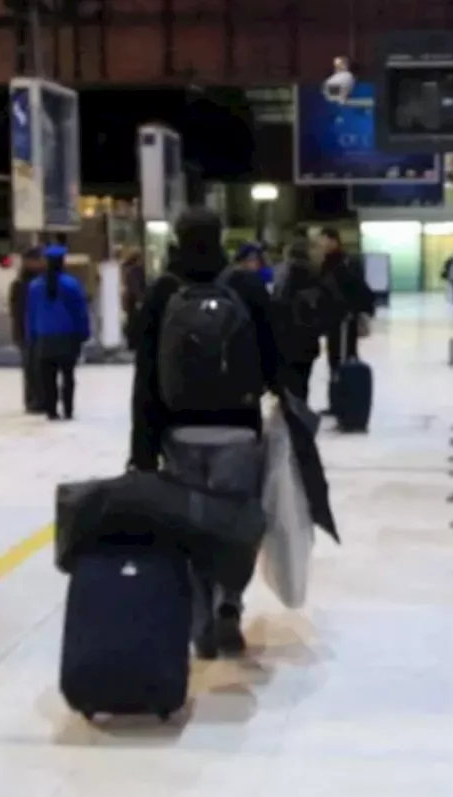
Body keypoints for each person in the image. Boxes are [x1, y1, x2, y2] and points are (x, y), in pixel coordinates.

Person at [129, 206, 282, 659]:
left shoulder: (163, 291)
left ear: (177, 238)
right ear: (221, 238)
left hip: (179, 431)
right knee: (234, 524)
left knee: (191, 528)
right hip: (237, 429)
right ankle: (229, 604)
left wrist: (143, 449)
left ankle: (200, 621)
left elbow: (146, 376)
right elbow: (278, 353)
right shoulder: (245, 285)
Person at [26, 247, 90, 421]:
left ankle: (51, 410)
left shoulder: (34, 286)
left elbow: (30, 314)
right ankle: (68, 409)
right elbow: (80, 311)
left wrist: (31, 336)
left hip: (44, 338)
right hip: (68, 337)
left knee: (48, 377)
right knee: (68, 375)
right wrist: (84, 332)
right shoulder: (71, 285)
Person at [273, 238, 329, 405]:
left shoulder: (282, 273)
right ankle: (299, 418)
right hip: (306, 337)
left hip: (285, 336)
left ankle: (291, 416)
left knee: (290, 383)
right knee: (302, 382)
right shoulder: (312, 273)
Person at [318, 227, 374, 385]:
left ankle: (347, 393)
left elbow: (357, 287)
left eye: (324, 240)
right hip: (333, 317)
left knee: (345, 353)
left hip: (345, 317)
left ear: (334, 241)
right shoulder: (325, 262)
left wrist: (357, 310)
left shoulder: (345, 262)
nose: (322, 244)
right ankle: (339, 393)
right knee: (335, 354)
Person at [9, 248, 46, 413]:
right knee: (31, 367)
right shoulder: (21, 285)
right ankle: (33, 400)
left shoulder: (45, 281)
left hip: (42, 330)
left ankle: (42, 398)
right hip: (27, 332)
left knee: (42, 367)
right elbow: (16, 311)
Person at [119, 248, 148, 351]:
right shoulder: (136, 270)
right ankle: (134, 342)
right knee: (135, 321)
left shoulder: (126, 270)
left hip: (129, 300)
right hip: (134, 300)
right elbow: (136, 286)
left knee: (131, 320)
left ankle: (131, 342)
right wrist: (140, 299)